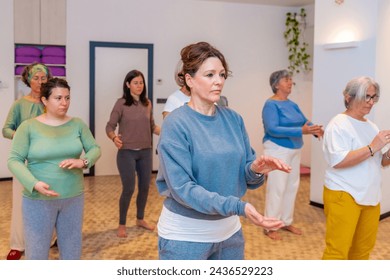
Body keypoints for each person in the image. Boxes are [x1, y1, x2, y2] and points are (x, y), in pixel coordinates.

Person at [156, 41, 291, 260]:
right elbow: (183, 189)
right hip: (186, 236)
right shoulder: (176, 124)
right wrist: (239, 207)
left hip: (230, 234)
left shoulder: (233, 119)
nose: (218, 81)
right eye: (209, 75)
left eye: (222, 74)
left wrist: (256, 169)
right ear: (189, 80)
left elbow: (248, 178)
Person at [7, 78, 101, 260]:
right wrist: (33, 184)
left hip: (73, 198)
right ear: (44, 100)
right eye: (58, 98)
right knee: (37, 254)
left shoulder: (77, 124)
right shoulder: (28, 127)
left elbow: (95, 149)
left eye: (67, 98)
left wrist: (83, 162)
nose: (64, 103)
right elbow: (14, 160)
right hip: (38, 200)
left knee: (72, 253)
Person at [322, 76, 390, 260]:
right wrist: (373, 146)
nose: (370, 102)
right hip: (344, 194)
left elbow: (381, 161)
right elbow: (338, 160)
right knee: (337, 251)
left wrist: (388, 152)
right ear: (348, 97)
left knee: (362, 252)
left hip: (370, 196)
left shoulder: (371, 126)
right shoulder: (338, 124)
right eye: (365, 96)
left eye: (373, 97)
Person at [262, 69, 323, 240]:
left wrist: (315, 129)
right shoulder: (270, 105)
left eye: (290, 80)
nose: (290, 82)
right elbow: (272, 129)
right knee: (277, 187)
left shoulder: (292, 104)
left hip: (295, 149)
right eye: (286, 79)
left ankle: (285, 221)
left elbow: (304, 121)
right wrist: (301, 130)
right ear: (276, 84)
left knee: (291, 186)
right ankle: (270, 225)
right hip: (277, 149)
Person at [2, 63, 52, 260]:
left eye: (43, 78)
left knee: (49, 200)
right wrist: (21, 137)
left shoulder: (51, 102)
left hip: (48, 160)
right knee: (22, 202)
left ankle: (50, 237)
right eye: (35, 78)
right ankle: (18, 244)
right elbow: (6, 129)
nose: (39, 82)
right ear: (27, 80)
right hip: (23, 161)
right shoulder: (19, 104)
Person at [106, 69, 160, 238]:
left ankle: (140, 219)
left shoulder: (147, 103)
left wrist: (169, 131)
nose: (139, 86)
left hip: (145, 152)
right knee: (128, 188)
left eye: (141, 82)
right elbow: (109, 127)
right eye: (135, 83)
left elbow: (152, 126)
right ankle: (122, 223)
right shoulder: (121, 103)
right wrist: (114, 138)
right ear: (128, 84)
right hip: (126, 153)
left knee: (144, 188)